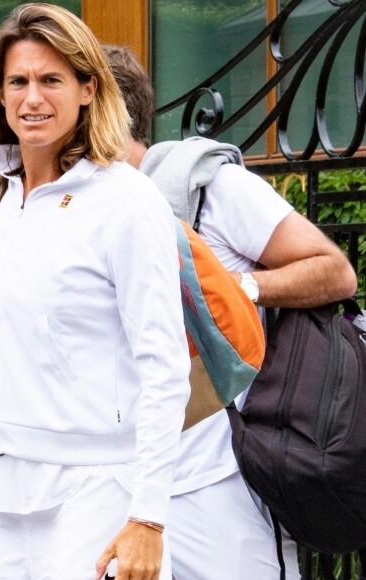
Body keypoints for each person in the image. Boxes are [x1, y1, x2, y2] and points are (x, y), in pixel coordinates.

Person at [0, 5, 193, 579]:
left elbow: (164, 366)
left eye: (51, 80)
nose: (33, 98)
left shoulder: (126, 201)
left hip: (97, 493)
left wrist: (148, 517)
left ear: (87, 89)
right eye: (18, 81)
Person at [104, 44, 358, 579]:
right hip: (119, 476)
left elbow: (334, 271)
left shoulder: (210, 185)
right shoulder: (75, 207)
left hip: (222, 475)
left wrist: (231, 286)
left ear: (107, 109)